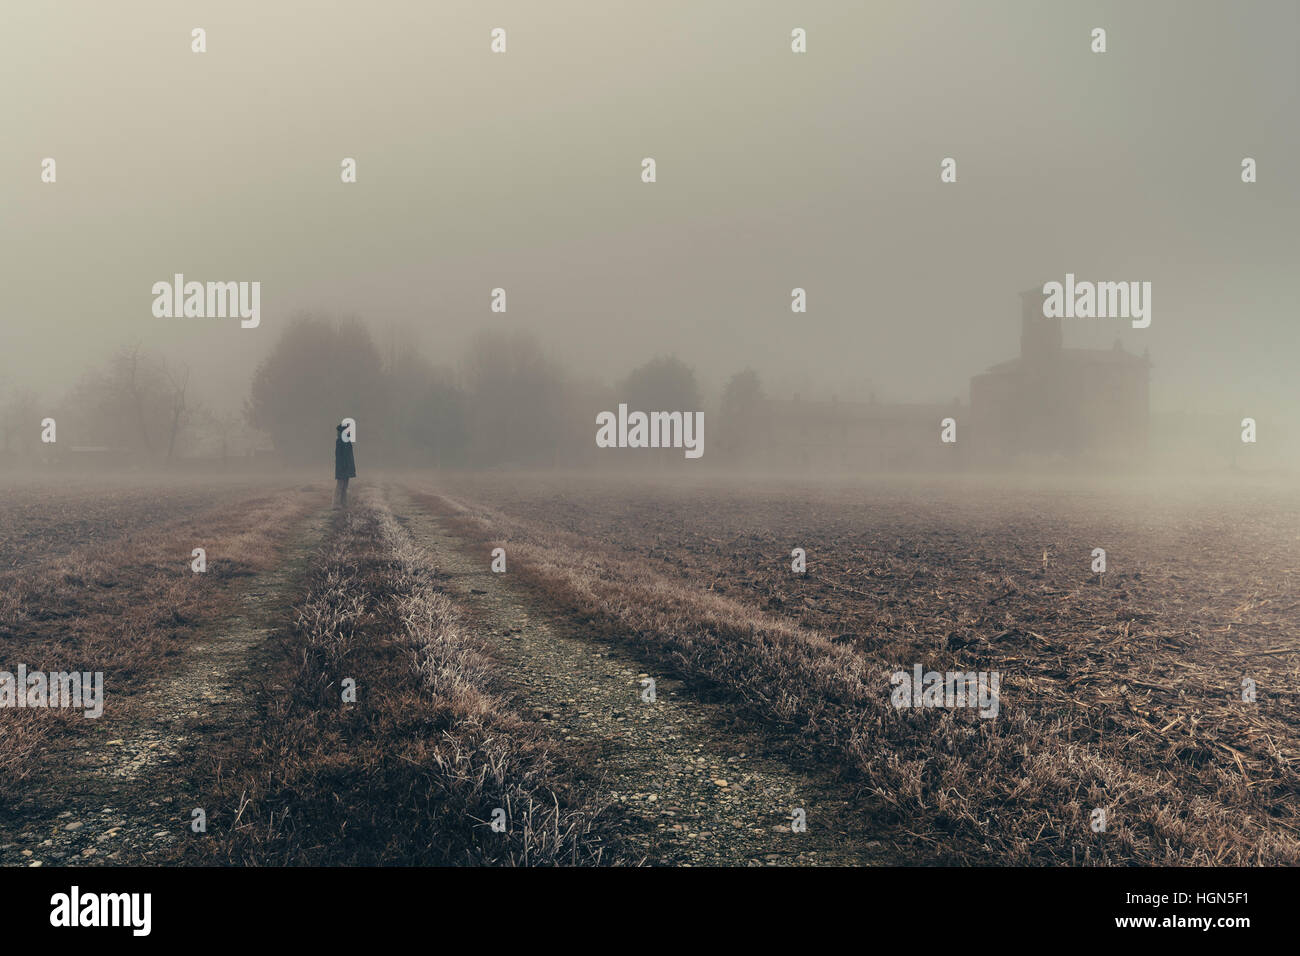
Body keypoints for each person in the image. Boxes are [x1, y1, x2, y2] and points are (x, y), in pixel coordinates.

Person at [334, 422, 356, 508]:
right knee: (340, 485)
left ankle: (343, 503)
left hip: (347, 467)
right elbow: (339, 456)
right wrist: (342, 466)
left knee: (344, 486)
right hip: (342, 466)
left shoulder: (347, 442)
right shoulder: (340, 442)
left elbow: (349, 456)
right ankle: (336, 504)